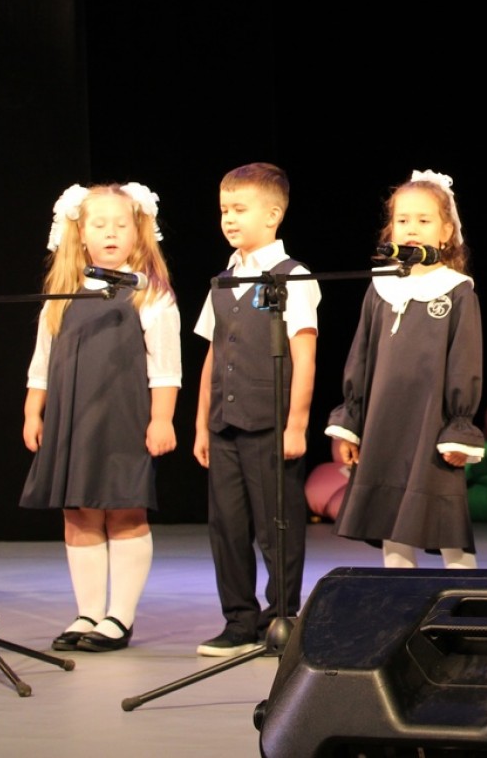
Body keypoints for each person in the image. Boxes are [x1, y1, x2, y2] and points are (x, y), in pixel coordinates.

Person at [21, 182, 180, 652]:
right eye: (100, 224)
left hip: (123, 416)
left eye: (121, 225)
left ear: (138, 232)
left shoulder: (150, 294)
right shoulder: (64, 293)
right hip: (73, 416)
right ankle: (88, 611)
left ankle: (119, 616)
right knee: (78, 510)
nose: (111, 233)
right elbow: (42, 361)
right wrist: (33, 411)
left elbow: (165, 367)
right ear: (81, 232)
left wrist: (162, 419)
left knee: (124, 508)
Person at [192, 163, 320, 657]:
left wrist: (297, 424)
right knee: (226, 526)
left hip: (269, 423)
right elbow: (213, 353)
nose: (228, 218)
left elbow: (304, 355)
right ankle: (238, 620)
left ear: (272, 215)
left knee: (276, 525)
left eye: (239, 209)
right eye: (224, 209)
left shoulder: (293, 277)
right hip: (224, 423)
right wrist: (202, 423)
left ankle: (281, 616)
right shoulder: (223, 280)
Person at [325, 170, 483, 568]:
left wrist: (458, 426)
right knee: (390, 517)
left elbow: (464, 362)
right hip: (383, 421)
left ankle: (466, 593)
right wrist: (352, 420)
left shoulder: (456, 290)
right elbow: (361, 355)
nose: (411, 228)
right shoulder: (381, 286)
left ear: (446, 232)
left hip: (431, 423)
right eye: (403, 220)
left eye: (424, 220)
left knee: (445, 518)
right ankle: (401, 594)